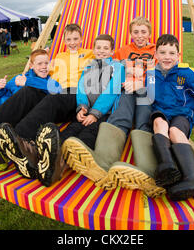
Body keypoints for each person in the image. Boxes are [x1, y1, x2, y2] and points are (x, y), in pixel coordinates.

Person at [0, 23, 93, 174]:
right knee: (27, 92)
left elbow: (107, 66)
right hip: (54, 93)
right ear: (63, 40)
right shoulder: (58, 57)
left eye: (76, 38)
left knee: (52, 97)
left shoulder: (91, 54)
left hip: (75, 96)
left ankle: (0, 148)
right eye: (69, 39)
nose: (73, 42)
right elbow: (41, 69)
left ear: (82, 38)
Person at [0, 34, 124, 187]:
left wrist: (95, 113)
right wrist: (81, 107)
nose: (101, 51)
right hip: (86, 110)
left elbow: (111, 91)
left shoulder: (117, 67)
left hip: (104, 113)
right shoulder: (89, 66)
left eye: (106, 48)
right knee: (68, 132)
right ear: (94, 49)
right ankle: (41, 161)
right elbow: (81, 89)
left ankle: (58, 169)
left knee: (85, 136)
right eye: (98, 48)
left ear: (112, 51)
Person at [110, 34, 194, 201]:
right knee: (159, 123)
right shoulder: (152, 73)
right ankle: (167, 167)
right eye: (163, 52)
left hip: (182, 113)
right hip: (161, 112)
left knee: (174, 131)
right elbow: (146, 86)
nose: (167, 57)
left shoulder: (186, 73)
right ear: (156, 55)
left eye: (172, 53)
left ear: (178, 56)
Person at [62, 16, 157, 190]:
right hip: (124, 91)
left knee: (144, 117)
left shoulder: (156, 52)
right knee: (119, 115)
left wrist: (141, 83)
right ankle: (103, 163)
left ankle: (148, 172)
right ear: (130, 34)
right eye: (136, 32)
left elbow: (160, 76)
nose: (140, 35)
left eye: (144, 32)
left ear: (150, 33)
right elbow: (108, 65)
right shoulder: (122, 51)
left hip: (146, 91)